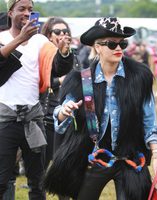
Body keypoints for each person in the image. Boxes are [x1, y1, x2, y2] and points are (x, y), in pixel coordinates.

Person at [44, 17, 157, 200]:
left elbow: (149, 121)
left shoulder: (139, 77)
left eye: (121, 43)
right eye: (111, 44)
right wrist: (64, 111)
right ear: (97, 47)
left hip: (130, 159)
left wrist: (155, 155)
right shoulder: (80, 80)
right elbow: (59, 118)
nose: (118, 48)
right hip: (94, 157)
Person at [0, 0, 73, 199]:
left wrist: (64, 52)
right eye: (21, 9)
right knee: (2, 179)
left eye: (30, 10)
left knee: (37, 181)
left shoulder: (40, 41)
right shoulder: (2, 37)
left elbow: (58, 67)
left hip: (33, 117)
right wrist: (20, 39)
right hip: (5, 118)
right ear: (10, 12)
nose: (27, 13)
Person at [40, 16, 73, 200]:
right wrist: (59, 81)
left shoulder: (72, 54)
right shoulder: (43, 53)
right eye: (57, 31)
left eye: (65, 31)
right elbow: (41, 82)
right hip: (46, 115)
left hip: (68, 115)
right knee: (42, 167)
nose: (62, 34)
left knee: (64, 166)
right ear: (49, 35)